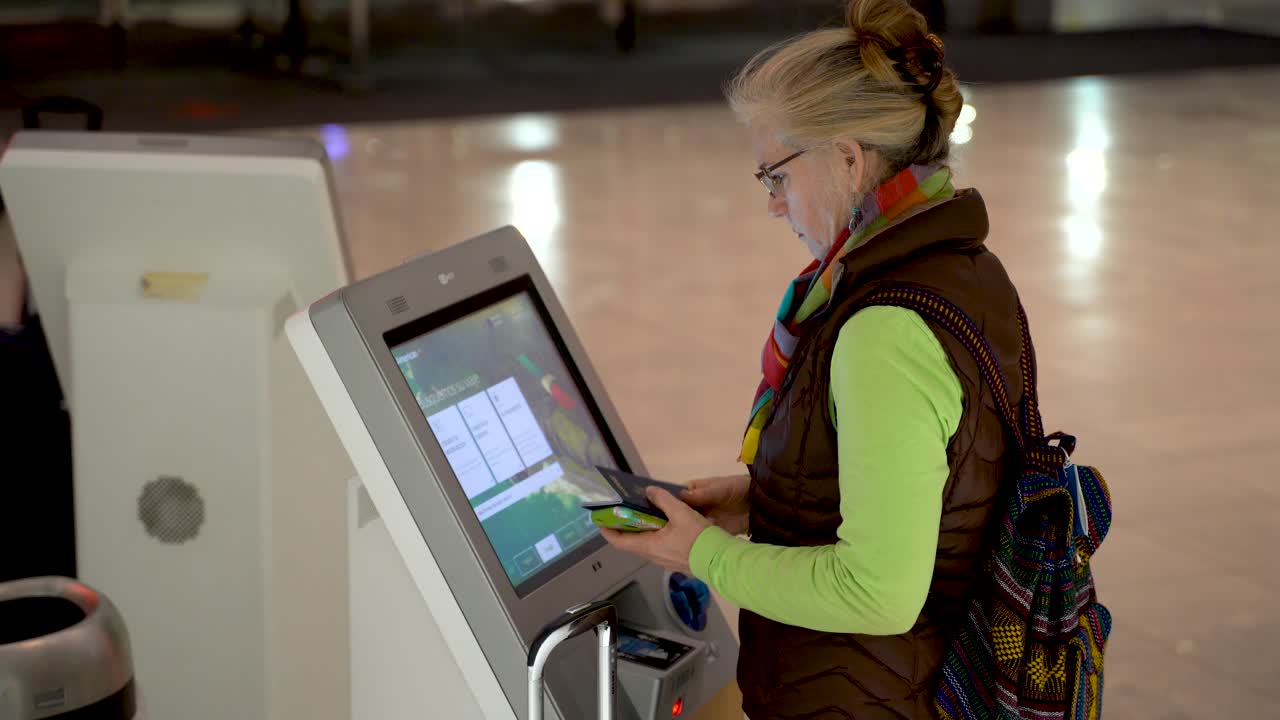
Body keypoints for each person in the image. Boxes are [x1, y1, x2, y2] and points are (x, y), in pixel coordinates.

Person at [601, 0, 1030, 717]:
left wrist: (701, 555)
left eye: (776, 175)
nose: (774, 204)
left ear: (848, 158)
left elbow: (877, 591)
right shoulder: (959, 263)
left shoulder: (883, 326)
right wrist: (764, 498)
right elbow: (939, 482)